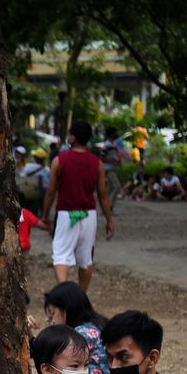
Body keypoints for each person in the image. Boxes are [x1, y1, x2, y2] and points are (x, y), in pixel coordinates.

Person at [41, 122, 115, 291]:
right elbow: (103, 195)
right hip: (89, 215)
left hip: (66, 214)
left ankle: (65, 293)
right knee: (86, 259)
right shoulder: (97, 163)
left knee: (61, 256)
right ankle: (81, 296)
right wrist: (109, 220)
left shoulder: (59, 161)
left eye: (69, 134)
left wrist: (45, 215)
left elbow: (51, 192)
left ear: (72, 138)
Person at [42, 281, 110, 374]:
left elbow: (52, 368)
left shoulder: (80, 335)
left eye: (53, 314)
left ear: (66, 310)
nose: (51, 321)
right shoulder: (97, 325)